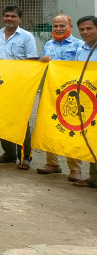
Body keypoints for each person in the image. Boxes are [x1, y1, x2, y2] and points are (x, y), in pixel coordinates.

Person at [0, 5, 39, 170]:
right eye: (7, 16)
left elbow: (32, 60)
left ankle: (25, 157)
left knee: (21, 121)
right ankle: (9, 153)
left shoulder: (26, 36)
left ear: (20, 19)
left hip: (20, 84)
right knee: (2, 119)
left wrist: (11, 67)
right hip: (0, 84)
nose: (9, 19)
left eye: (13, 16)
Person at [36, 14, 83, 181]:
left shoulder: (80, 45)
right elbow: (41, 64)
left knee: (71, 128)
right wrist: (43, 59)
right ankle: (52, 163)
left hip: (71, 94)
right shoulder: (48, 44)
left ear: (70, 26)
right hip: (50, 91)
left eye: (62, 25)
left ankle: (75, 168)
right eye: (55, 26)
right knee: (50, 126)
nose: (58, 29)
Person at [73, 16, 97, 189]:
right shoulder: (81, 50)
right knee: (92, 137)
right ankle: (94, 177)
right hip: (87, 100)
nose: (85, 32)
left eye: (89, 28)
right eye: (82, 29)